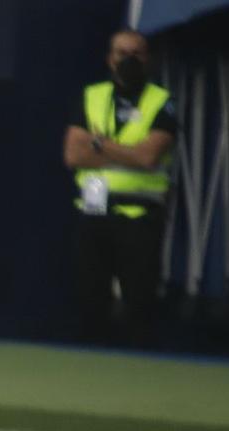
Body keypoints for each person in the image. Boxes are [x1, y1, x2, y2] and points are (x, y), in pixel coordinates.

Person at [61, 27, 176, 347]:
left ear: (148, 59)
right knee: (89, 299)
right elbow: (73, 153)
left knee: (139, 302)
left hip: (140, 215)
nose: (129, 60)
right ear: (110, 60)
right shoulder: (92, 96)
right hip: (94, 209)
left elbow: (148, 157)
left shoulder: (161, 102)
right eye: (122, 53)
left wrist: (99, 145)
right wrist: (126, 152)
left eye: (136, 53)